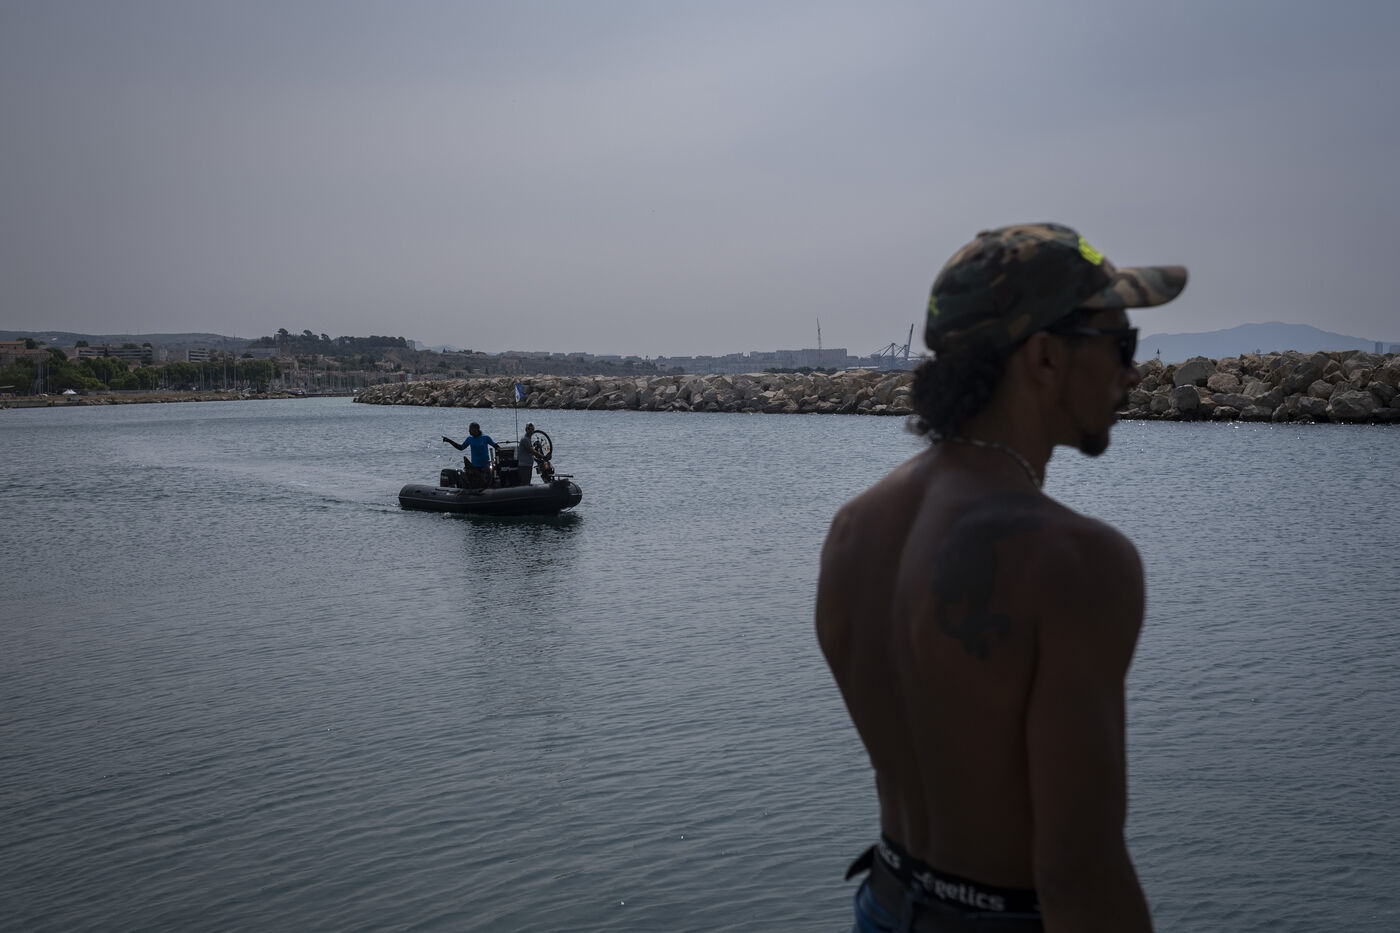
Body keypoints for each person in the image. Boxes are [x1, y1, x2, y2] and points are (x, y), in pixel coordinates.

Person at [815, 223, 1187, 932]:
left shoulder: (853, 530)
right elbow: (1079, 872)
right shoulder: (1074, 561)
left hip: (885, 900)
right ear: (1044, 357)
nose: (1134, 374)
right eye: (1122, 343)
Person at [442, 423, 500, 488]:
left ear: (476, 429)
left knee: (486, 484)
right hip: (474, 467)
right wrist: (449, 441)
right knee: (475, 485)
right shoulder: (469, 439)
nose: (469, 431)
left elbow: (496, 446)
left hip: (485, 466)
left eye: (470, 429)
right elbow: (461, 447)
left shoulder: (485, 437)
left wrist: (498, 458)